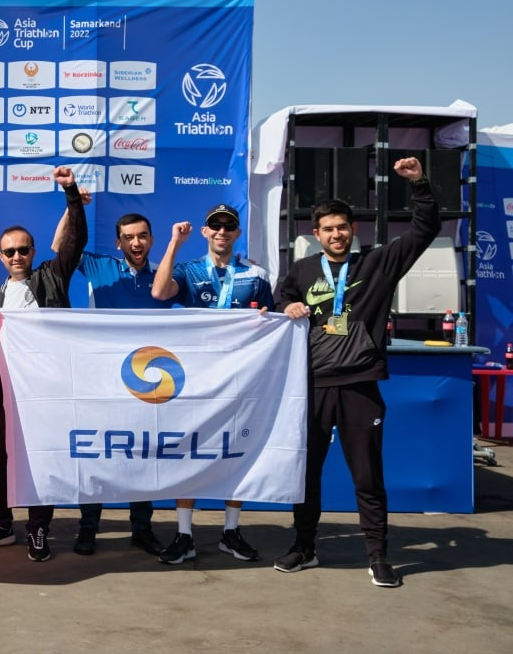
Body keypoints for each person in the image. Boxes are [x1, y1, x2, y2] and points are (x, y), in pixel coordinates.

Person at [273, 157, 437, 588]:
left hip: (360, 386)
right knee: (306, 474)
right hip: (312, 387)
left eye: (342, 227)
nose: (336, 234)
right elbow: (279, 301)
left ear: (353, 229)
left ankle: (378, 555)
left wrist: (419, 184)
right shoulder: (302, 270)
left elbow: (424, 230)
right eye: (328, 229)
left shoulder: (377, 264)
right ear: (316, 234)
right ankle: (304, 547)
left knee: (367, 476)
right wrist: (286, 305)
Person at [0, 165, 84, 562]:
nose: (17, 256)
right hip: (5, 391)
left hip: (47, 389)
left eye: (24, 250)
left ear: (33, 253)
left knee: (40, 457)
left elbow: (75, 241)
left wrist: (71, 193)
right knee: (0, 458)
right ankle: (1, 523)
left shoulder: (53, 275)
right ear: (0, 257)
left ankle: (38, 528)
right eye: (10, 251)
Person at [151, 203, 274, 565]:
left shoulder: (255, 274)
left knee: (237, 451)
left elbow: (273, 319)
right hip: (196, 379)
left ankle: (231, 531)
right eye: (215, 226)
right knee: (188, 452)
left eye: (228, 226)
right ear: (205, 232)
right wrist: (175, 243)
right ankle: (184, 534)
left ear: (237, 233)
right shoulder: (189, 270)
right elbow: (159, 293)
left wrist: (267, 317)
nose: (222, 231)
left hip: (240, 379)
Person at [48, 207, 169, 557]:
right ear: (118, 243)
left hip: (147, 379)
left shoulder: (164, 276)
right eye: (129, 238)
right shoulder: (99, 265)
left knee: (144, 453)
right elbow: (58, 246)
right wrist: (72, 206)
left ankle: (142, 528)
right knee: (97, 452)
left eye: (142, 236)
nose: (136, 243)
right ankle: (88, 527)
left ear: (152, 240)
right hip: (101, 376)